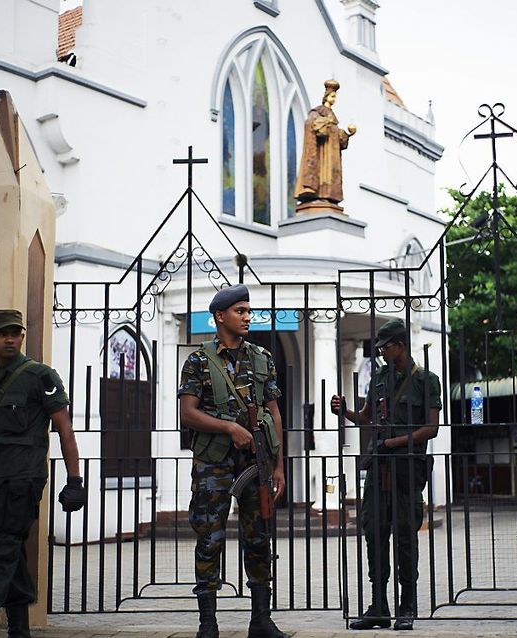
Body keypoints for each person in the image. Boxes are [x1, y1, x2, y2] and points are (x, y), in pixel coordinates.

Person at [0, 309, 86, 638]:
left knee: (0, 550)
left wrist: (75, 481)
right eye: (3, 333)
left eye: (16, 332)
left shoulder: (40, 377)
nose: (11, 338)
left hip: (21, 480)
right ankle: (20, 631)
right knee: (6, 551)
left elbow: (65, 430)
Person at [179, 284, 288, 638]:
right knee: (209, 538)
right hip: (213, 462)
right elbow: (188, 414)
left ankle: (261, 620)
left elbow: (274, 412)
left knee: (259, 537)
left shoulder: (262, 358)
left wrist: (278, 467)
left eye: (248, 311)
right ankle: (207, 623)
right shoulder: (198, 361)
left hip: (255, 461)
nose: (247, 317)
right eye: (240, 311)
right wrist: (228, 428)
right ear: (220, 316)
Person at [331, 319, 440, 631]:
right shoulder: (378, 378)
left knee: (405, 538)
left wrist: (396, 441)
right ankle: (379, 607)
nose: (380, 353)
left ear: (400, 346)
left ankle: (407, 607)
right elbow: (366, 417)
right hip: (379, 471)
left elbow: (431, 428)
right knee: (375, 534)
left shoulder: (426, 380)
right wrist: (344, 411)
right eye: (378, 348)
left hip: (406, 470)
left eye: (385, 347)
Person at [294, 79, 357, 207]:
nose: (334, 99)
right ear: (326, 97)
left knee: (330, 175)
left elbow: (336, 134)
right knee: (323, 173)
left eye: (335, 97)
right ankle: (315, 191)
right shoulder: (317, 112)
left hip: (331, 154)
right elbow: (312, 125)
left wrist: (347, 134)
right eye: (332, 96)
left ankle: (329, 195)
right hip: (322, 153)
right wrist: (325, 123)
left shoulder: (332, 115)